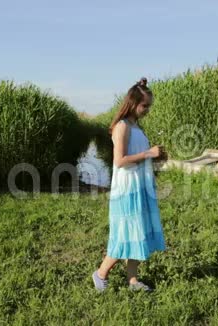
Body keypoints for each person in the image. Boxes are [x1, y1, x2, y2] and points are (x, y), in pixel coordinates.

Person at [91, 77, 167, 292]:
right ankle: (100, 274)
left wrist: (155, 157)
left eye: (149, 106)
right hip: (127, 188)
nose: (147, 110)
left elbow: (138, 156)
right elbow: (120, 160)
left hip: (140, 185)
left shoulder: (136, 127)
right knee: (124, 234)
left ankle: (132, 281)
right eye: (145, 105)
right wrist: (148, 153)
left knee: (138, 231)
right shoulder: (122, 126)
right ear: (133, 103)